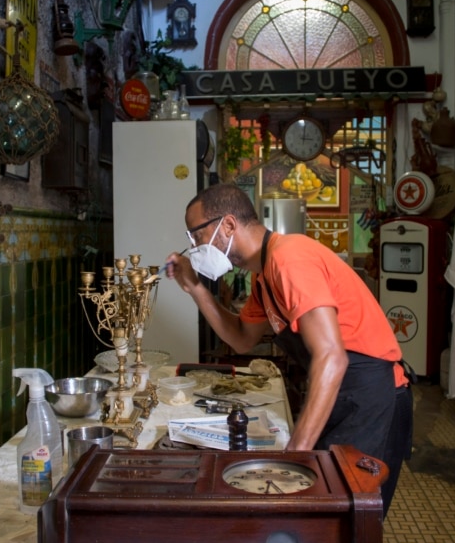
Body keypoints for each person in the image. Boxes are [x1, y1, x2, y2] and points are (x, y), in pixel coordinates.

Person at [165, 184, 413, 513]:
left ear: (227, 225)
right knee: (328, 514)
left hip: (372, 396)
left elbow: (332, 357)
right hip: (342, 392)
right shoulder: (263, 277)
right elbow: (241, 338)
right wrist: (196, 289)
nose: (195, 247)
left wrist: (294, 456)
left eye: (196, 236)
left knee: (349, 516)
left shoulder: (289, 259)